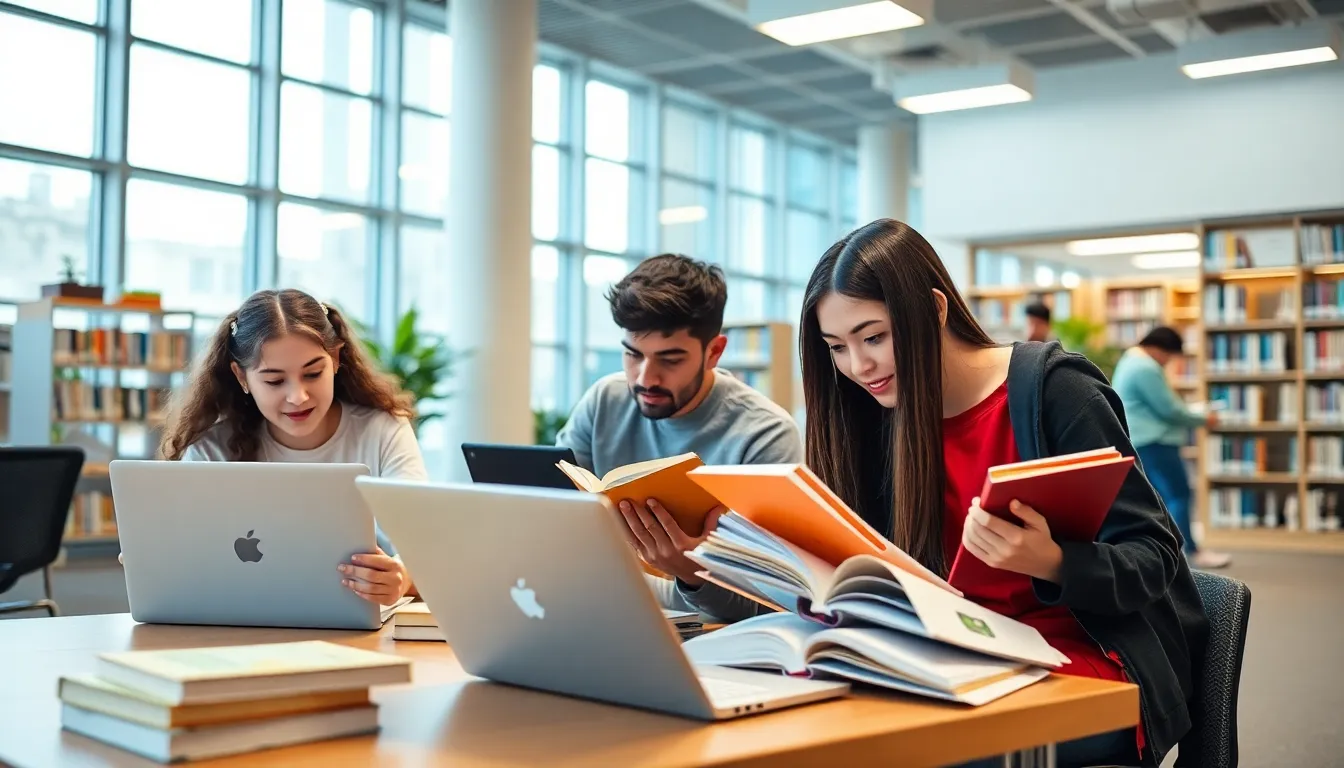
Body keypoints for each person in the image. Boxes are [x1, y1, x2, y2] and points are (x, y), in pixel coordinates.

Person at [645, 220, 1208, 768]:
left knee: (886, 750)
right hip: (945, 658)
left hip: (1080, 665)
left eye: (874, 337)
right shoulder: (871, 414)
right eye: (836, 347)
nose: (858, 366)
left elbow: (1154, 556)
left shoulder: (1055, 392)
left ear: (935, 309)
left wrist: (1054, 562)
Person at [555, 253, 803, 610]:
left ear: (714, 352)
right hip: (592, 606)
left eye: (670, 360)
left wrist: (693, 574)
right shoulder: (604, 400)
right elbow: (552, 514)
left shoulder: (765, 434)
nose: (645, 378)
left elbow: (772, 601)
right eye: (633, 355)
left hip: (706, 632)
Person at [151, 288, 426, 605]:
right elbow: (186, 555)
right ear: (242, 377)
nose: (298, 397)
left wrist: (402, 579)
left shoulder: (382, 431)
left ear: (336, 359)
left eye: (313, 373)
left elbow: (428, 547)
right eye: (274, 381)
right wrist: (158, 561)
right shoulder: (211, 450)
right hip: (236, 620)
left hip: (356, 621)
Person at [1113, 326, 1230, 570]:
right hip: (1156, 441)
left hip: (1142, 440)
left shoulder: (1129, 361)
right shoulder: (1145, 367)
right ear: (1158, 348)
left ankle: (1170, 552)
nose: (1167, 362)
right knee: (1179, 495)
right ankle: (1191, 552)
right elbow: (1169, 409)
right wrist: (1203, 418)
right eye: (1168, 356)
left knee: (1160, 499)